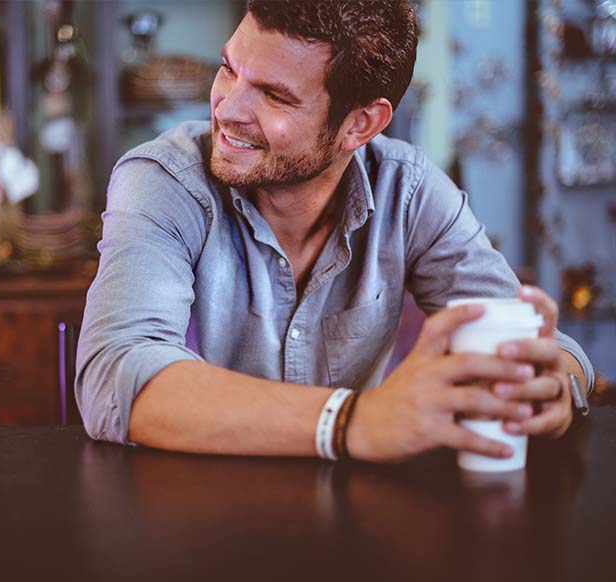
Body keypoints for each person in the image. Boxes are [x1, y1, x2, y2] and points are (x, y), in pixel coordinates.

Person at [75, 0, 593, 463]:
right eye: (229, 69)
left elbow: (551, 349)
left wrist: (553, 382)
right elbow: (116, 378)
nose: (227, 109)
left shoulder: (409, 192)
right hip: (191, 520)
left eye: (274, 96)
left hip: (353, 523)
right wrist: (354, 421)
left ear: (360, 125)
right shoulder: (163, 180)